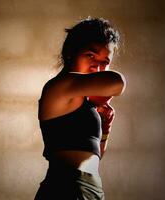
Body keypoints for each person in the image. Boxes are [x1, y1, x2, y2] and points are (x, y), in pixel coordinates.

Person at [34, 17, 126, 200]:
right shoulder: (60, 86)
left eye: (105, 62)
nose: (97, 67)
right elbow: (117, 83)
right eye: (90, 55)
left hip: (90, 188)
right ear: (70, 53)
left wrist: (105, 128)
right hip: (65, 187)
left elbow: (94, 156)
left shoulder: (86, 101)